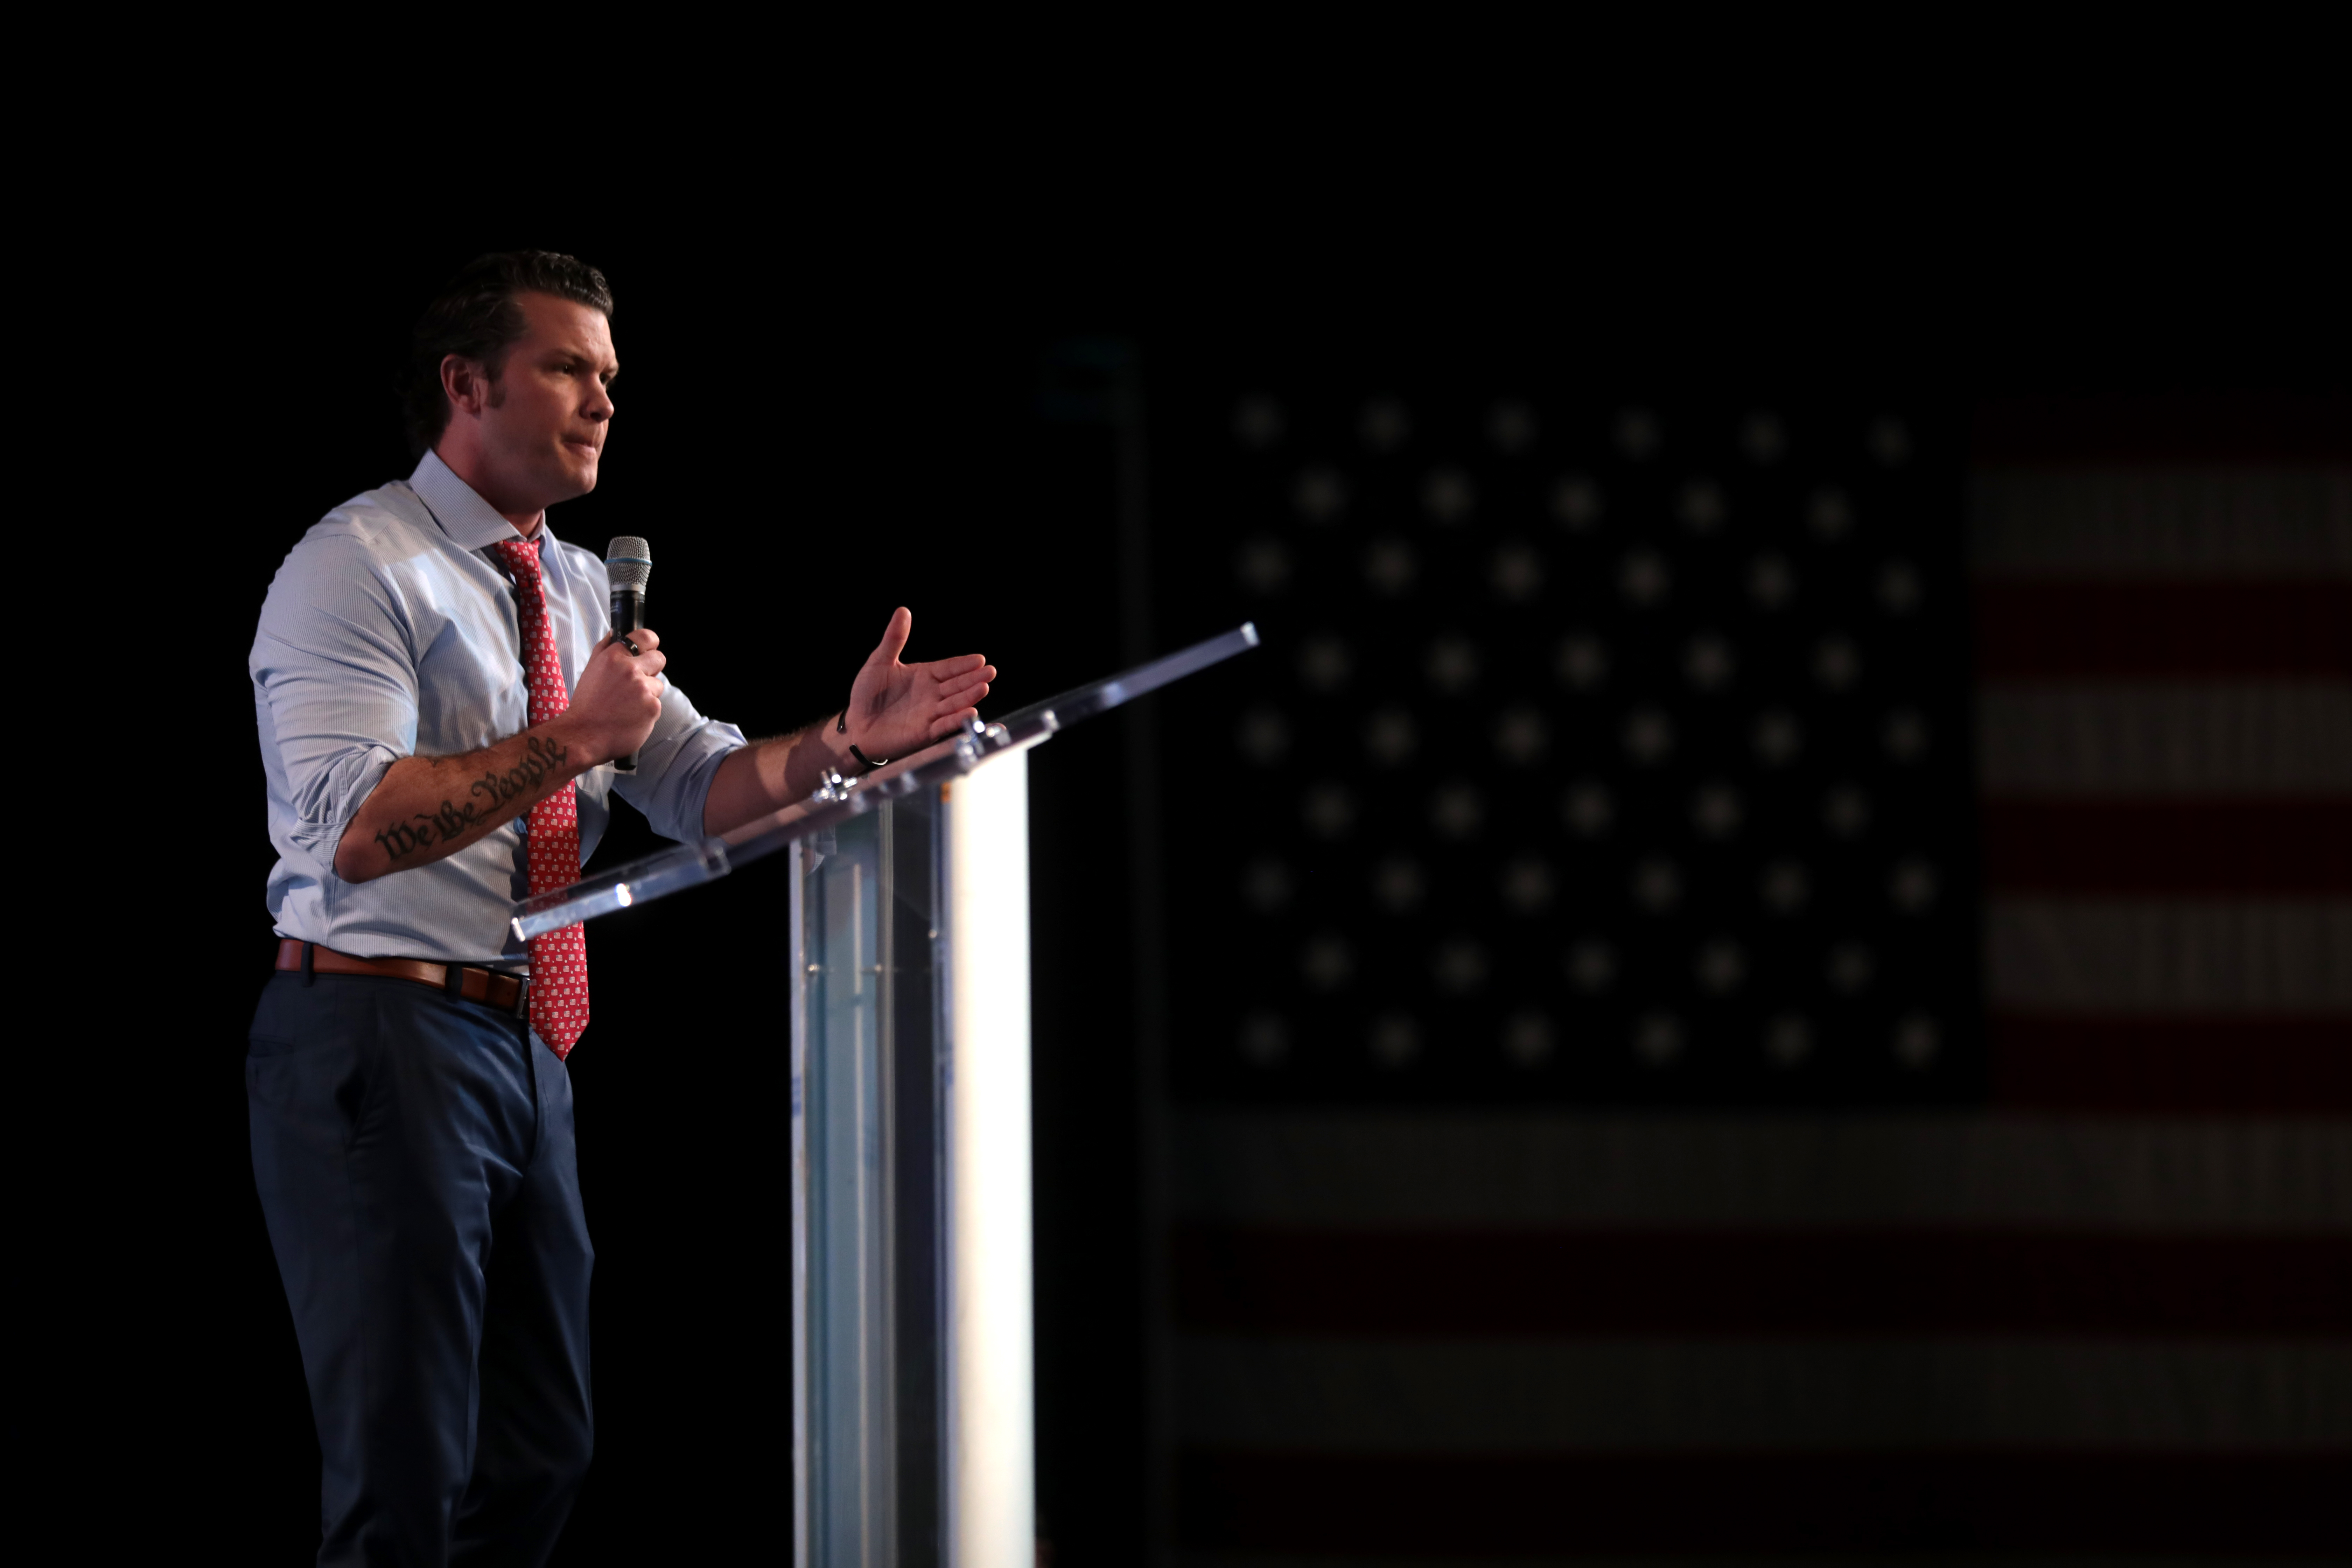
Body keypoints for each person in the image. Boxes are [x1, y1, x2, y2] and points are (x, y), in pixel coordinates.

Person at [246, 250, 994, 1565]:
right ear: (465, 384)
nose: (602, 403)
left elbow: (705, 785)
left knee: (540, 1451)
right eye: (567, 370)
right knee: (406, 1470)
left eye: (610, 378)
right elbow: (355, 831)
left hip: (526, 1049)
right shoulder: (358, 566)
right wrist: (576, 739)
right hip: (380, 1031)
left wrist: (842, 743)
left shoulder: (581, 588)